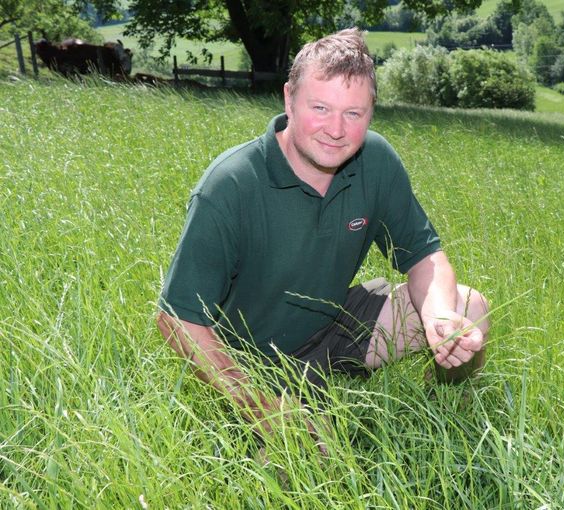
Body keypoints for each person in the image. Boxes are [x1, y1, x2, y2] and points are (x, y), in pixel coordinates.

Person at [156, 28, 490, 440]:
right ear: (288, 99)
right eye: (320, 107)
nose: (337, 129)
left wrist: (440, 316)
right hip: (255, 360)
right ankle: (287, 420)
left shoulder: (375, 160)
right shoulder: (231, 184)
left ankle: (441, 423)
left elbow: (425, 257)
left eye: (354, 113)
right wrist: (259, 406)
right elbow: (175, 319)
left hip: (334, 326)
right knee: (309, 462)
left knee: (468, 310)